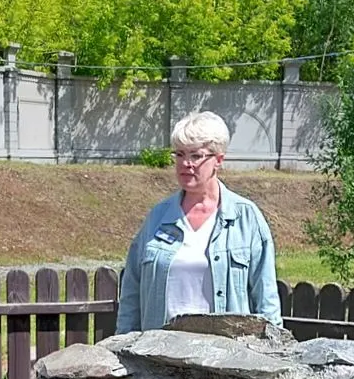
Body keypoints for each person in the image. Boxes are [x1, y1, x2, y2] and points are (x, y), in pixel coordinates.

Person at [116, 110, 281, 333]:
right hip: (160, 355)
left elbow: (266, 297)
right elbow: (131, 294)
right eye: (180, 154)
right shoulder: (157, 217)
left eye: (196, 156)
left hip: (226, 357)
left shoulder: (246, 218)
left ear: (218, 160)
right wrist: (123, 344)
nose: (186, 163)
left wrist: (274, 351)